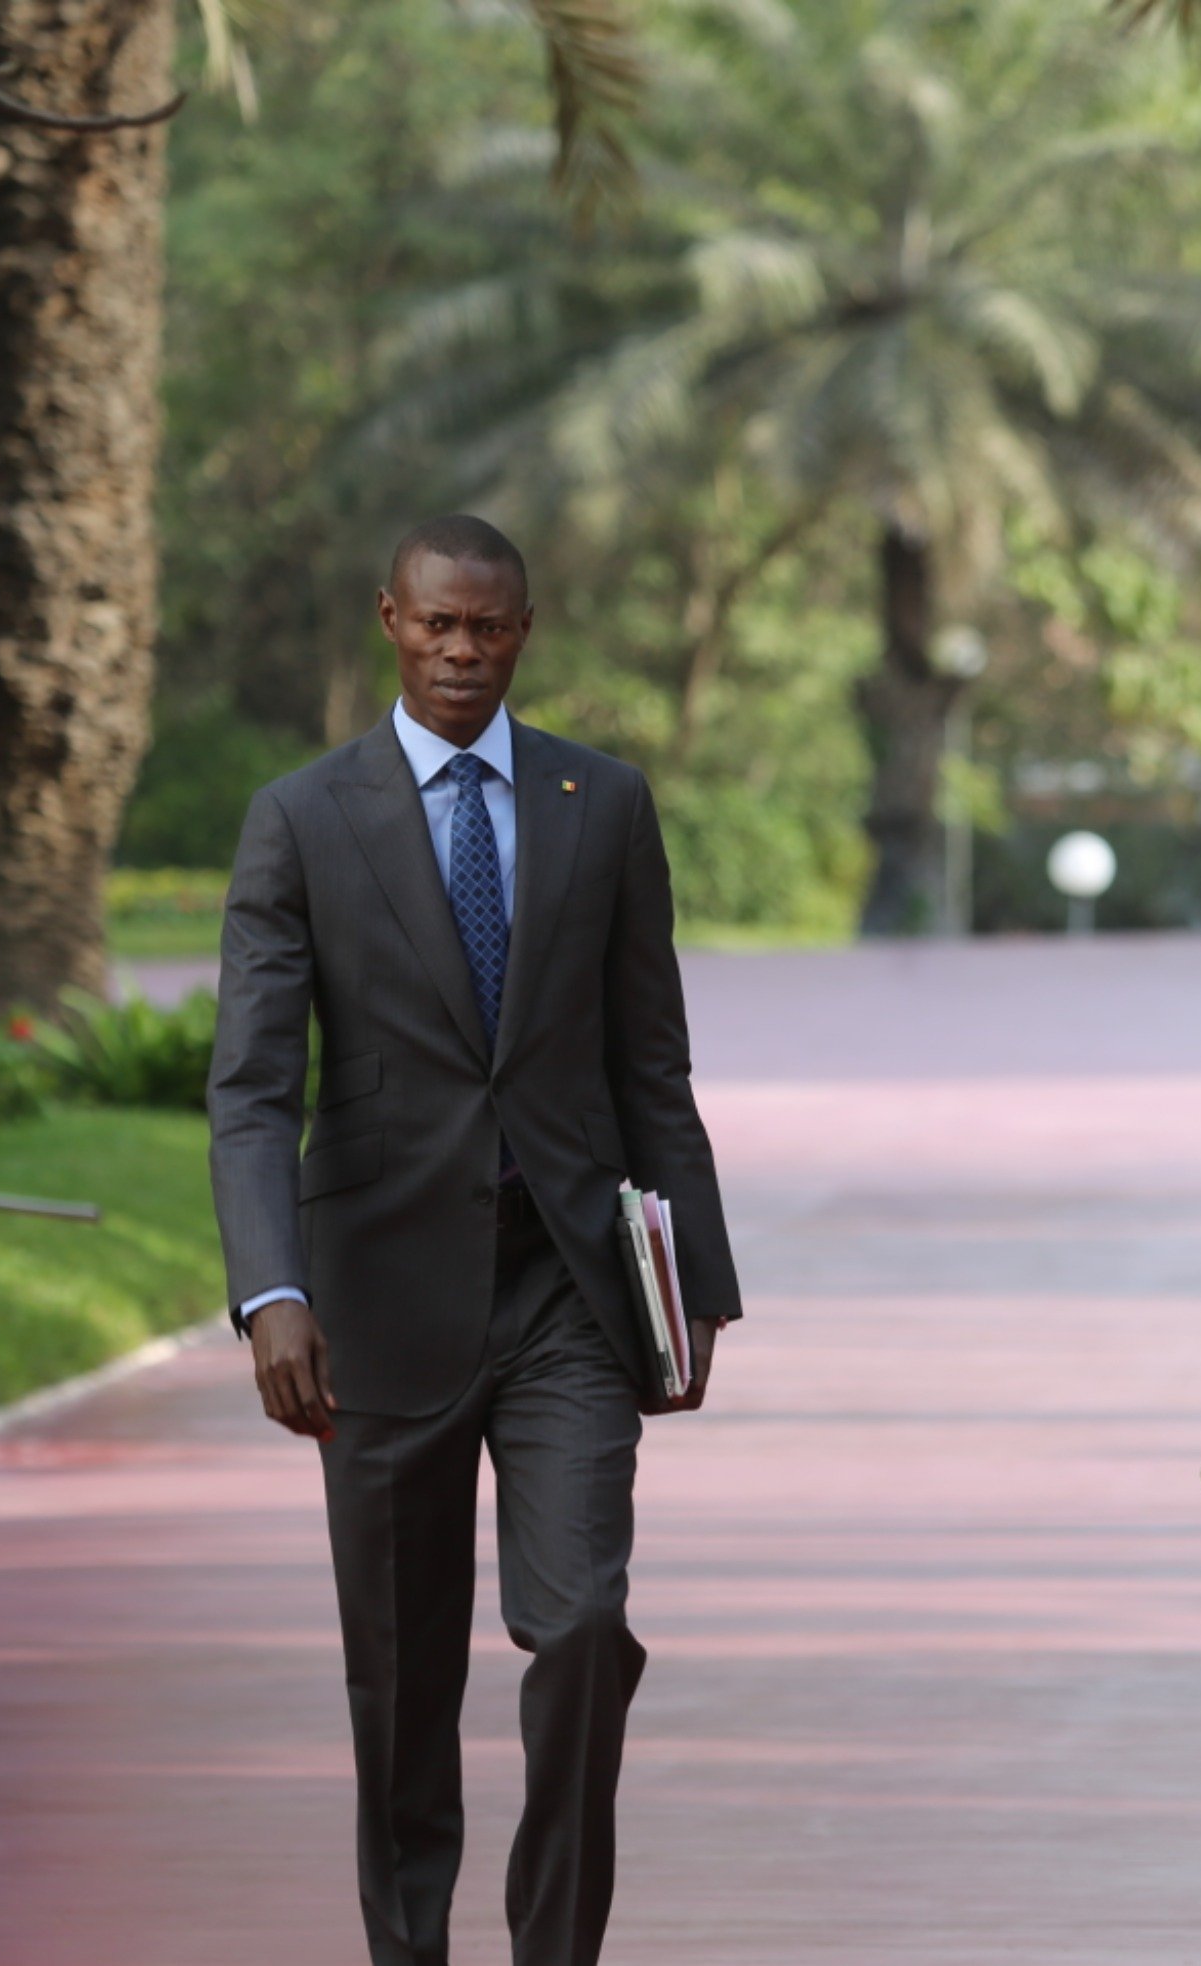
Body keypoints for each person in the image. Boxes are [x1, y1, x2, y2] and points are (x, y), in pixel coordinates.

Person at [208, 514, 743, 1966]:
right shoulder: (303, 818)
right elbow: (254, 1089)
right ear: (390, 619)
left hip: (565, 1283)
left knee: (582, 1627)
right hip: (376, 1301)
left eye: (488, 628)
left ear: (524, 630)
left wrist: (695, 1289)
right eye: (437, 624)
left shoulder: (603, 801)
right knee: (400, 1673)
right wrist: (271, 1290)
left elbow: (653, 1063)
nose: (461, 651)